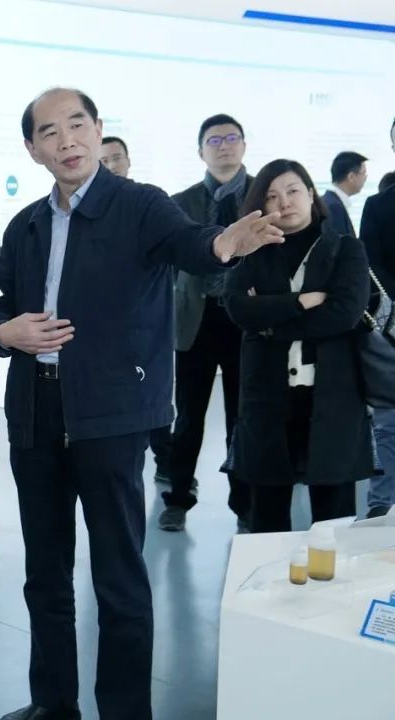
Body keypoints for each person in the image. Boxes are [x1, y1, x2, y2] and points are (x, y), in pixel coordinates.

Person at [0, 88, 282, 720]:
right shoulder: (25, 225)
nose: (67, 140)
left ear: (98, 130)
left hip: (111, 414)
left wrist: (224, 244)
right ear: (32, 149)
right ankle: (52, 704)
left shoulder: (140, 205)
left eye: (77, 125)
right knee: (45, 574)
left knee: (119, 579)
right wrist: (2, 332)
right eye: (49, 132)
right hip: (36, 413)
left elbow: (191, 244)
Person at [223, 159, 372, 533]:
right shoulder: (252, 252)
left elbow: (344, 314)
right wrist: (301, 302)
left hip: (333, 395)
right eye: (272, 196)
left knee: (333, 523)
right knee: (266, 519)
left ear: (310, 193)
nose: (284, 202)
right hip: (267, 396)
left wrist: (269, 322)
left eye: (292, 191)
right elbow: (238, 308)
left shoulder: (346, 249)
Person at [158, 114, 252, 533]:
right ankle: (178, 498)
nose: (224, 145)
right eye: (214, 140)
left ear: (244, 145)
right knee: (188, 418)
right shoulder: (181, 202)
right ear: (200, 152)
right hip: (195, 321)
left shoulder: (262, 196)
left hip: (246, 321)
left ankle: (244, 505)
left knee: (242, 418)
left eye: (231, 138)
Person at [99, 135, 173, 482]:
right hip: (107, 336)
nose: (111, 166)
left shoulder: (148, 205)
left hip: (148, 331)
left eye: (116, 158)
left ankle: (167, 464)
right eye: (103, 161)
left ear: (128, 161)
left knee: (153, 403)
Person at [361, 117, 395, 519]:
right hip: (393, 331)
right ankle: (381, 505)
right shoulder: (379, 205)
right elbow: (372, 267)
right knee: (389, 423)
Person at [322, 151, 368, 238]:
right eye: (363, 173)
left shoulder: (329, 201)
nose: (365, 178)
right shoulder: (334, 207)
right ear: (351, 177)